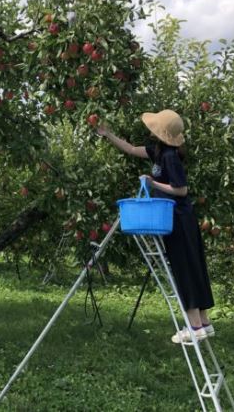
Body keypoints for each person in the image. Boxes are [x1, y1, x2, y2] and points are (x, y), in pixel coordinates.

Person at [97, 109, 215, 343]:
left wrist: (153, 183)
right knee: (191, 265)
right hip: (173, 217)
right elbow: (130, 149)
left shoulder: (171, 156)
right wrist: (107, 134)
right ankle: (204, 322)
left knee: (185, 268)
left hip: (180, 218)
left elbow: (182, 189)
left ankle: (194, 327)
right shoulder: (158, 151)